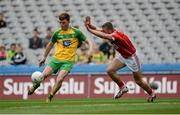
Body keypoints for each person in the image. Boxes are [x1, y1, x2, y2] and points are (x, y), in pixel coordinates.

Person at [84, 16, 156, 102]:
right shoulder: (111, 31)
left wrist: (89, 30)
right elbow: (99, 30)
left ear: (109, 30)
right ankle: (123, 87)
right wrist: (90, 25)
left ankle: (152, 93)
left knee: (138, 81)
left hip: (132, 58)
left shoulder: (115, 36)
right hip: (123, 56)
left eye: (105, 31)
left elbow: (104, 35)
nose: (104, 32)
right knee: (110, 70)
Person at [28, 13, 94, 102]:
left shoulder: (76, 32)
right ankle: (35, 86)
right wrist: (44, 57)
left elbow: (89, 41)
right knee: (43, 76)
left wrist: (90, 50)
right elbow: (50, 45)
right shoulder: (57, 33)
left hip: (68, 61)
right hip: (56, 59)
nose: (62, 24)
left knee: (60, 79)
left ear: (69, 21)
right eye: (60, 23)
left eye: (64, 22)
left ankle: (50, 97)